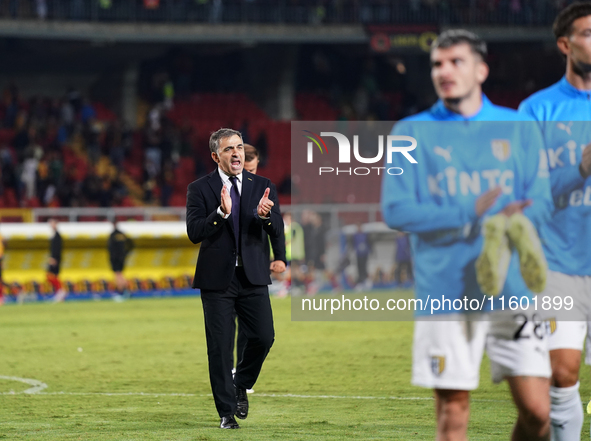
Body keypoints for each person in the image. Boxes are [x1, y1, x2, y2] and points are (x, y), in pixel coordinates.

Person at [381, 30, 553, 440]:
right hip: (447, 290)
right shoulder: (411, 132)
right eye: (438, 64)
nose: (444, 71)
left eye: (456, 62)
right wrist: (469, 211)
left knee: (538, 412)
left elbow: (542, 200)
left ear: (481, 70)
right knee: (454, 409)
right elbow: (396, 209)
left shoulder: (518, 126)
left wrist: (521, 217)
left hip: (513, 290)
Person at [518, 3, 591, 439]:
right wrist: (579, 169)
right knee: (562, 374)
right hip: (559, 263)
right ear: (565, 44)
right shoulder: (536, 110)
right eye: (587, 33)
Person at [186, 128, 284, 429]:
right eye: (229, 149)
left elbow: (277, 228)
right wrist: (220, 213)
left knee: (264, 336)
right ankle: (227, 413)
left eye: (239, 147)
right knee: (220, 346)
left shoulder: (263, 186)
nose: (236, 153)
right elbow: (194, 232)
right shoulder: (200, 188)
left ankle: (241, 381)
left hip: (253, 276)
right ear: (216, 156)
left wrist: (267, 217)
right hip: (217, 280)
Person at [232, 144, 287, 390]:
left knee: (252, 328)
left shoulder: (263, 188)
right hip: (227, 267)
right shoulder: (225, 187)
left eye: (252, 168)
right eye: (246, 168)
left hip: (254, 264)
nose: (249, 172)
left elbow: (276, 226)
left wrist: (280, 257)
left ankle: (240, 374)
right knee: (225, 328)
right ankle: (231, 377)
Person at [107, 221, 134, 302]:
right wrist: (126, 253)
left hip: (115, 257)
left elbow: (110, 247)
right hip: (122, 257)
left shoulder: (112, 235)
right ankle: (126, 292)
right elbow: (131, 244)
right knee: (121, 274)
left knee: (117, 275)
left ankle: (121, 293)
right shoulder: (122, 234)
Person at [47, 219, 66, 302]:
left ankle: (61, 291)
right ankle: (59, 293)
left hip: (55, 259)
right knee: (52, 276)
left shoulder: (57, 236)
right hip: (54, 258)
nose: (51, 225)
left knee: (51, 276)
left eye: (52, 223)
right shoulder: (54, 235)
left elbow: (57, 249)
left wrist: (54, 258)